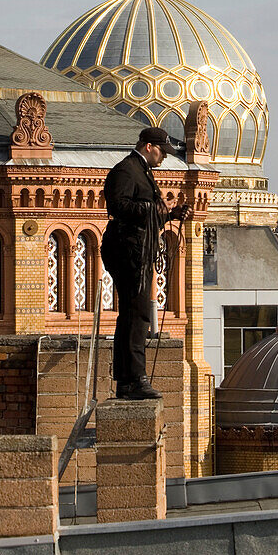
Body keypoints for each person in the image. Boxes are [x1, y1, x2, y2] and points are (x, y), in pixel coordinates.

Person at [101, 127, 192, 400]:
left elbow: (143, 213)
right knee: (136, 312)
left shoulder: (141, 172)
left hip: (137, 249)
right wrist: (154, 209)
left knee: (134, 312)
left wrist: (171, 214)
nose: (164, 157)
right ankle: (134, 379)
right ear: (149, 146)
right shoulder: (126, 171)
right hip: (126, 250)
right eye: (163, 151)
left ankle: (129, 379)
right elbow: (118, 207)